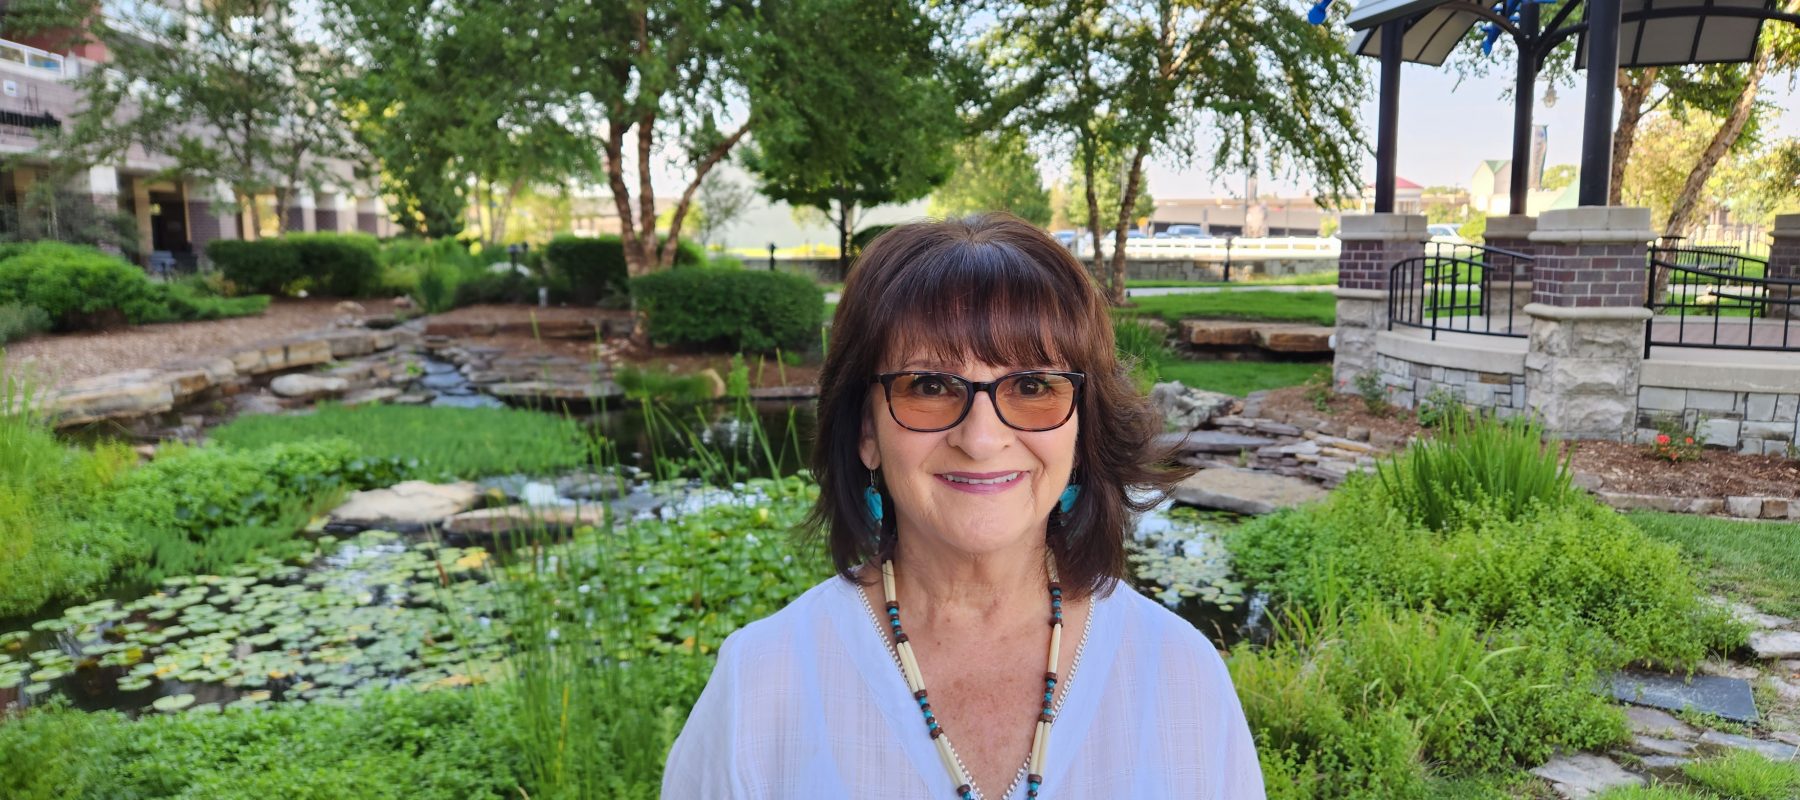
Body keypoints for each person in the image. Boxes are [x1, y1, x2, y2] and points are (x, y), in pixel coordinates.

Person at [663, 214, 1263, 799]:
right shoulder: (762, 686)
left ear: (1081, 428)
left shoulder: (1182, 677)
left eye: (1032, 386)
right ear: (865, 432)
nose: (980, 439)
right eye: (928, 386)